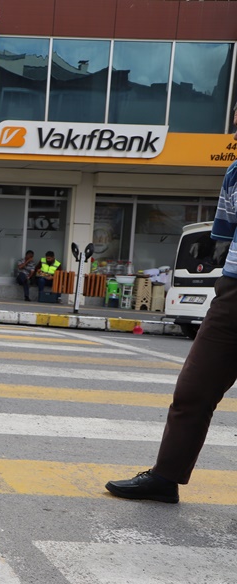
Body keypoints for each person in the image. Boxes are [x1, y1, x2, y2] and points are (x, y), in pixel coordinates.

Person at [106, 103, 237, 504]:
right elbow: (223, 235)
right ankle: (165, 478)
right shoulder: (235, 173)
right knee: (193, 389)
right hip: (232, 294)